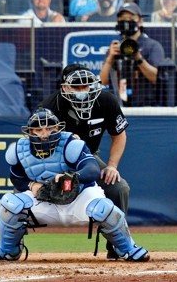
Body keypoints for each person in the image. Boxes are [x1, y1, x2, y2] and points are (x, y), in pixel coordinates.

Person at [0, 108, 149, 262]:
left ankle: (126, 249)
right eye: (38, 129)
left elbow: (92, 170)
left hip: (78, 198)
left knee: (105, 209)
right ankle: (8, 249)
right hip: (45, 200)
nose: (44, 134)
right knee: (10, 205)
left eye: (49, 128)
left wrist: (71, 177)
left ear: (58, 128)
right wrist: (31, 185)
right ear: (30, 131)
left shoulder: (71, 143)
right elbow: (16, 177)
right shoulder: (19, 149)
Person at [39, 65, 132, 260]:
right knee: (21, 195)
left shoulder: (106, 101)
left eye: (86, 86)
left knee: (119, 187)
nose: (83, 91)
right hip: (53, 159)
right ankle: (9, 244)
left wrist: (112, 166)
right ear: (65, 87)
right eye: (76, 87)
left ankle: (118, 245)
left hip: (88, 158)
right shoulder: (49, 108)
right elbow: (36, 142)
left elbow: (119, 135)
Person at [101, 2, 171, 106]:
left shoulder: (152, 46)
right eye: (123, 18)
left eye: (131, 18)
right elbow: (103, 81)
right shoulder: (115, 48)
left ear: (140, 21)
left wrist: (138, 58)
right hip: (120, 104)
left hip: (147, 105)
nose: (127, 21)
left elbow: (156, 79)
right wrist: (110, 59)